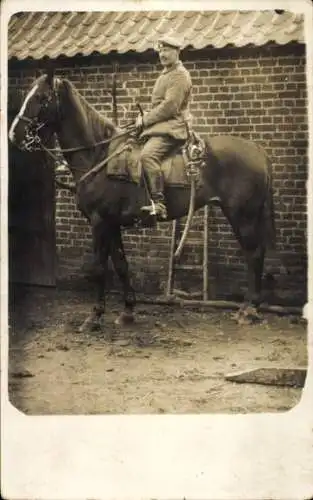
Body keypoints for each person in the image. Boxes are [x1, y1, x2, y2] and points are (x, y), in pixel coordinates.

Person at [135, 34, 192, 221]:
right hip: (161, 126)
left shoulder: (179, 76)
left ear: (177, 52)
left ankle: (159, 203)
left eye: (167, 50)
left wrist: (146, 120)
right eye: (160, 50)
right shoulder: (166, 74)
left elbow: (169, 107)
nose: (162, 54)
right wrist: (143, 117)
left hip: (172, 128)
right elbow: (158, 105)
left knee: (147, 156)